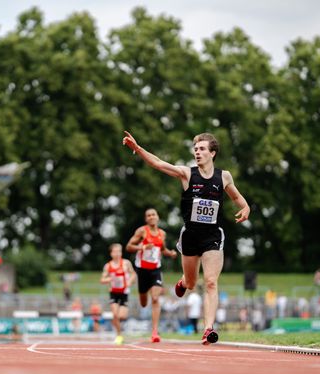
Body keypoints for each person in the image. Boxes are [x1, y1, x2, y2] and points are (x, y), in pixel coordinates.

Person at [123, 131, 250, 345]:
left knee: (210, 282)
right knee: (191, 283)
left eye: (201, 149)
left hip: (212, 236)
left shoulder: (224, 176)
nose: (197, 152)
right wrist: (137, 149)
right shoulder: (187, 174)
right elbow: (159, 164)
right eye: (196, 149)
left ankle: (208, 328)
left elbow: (236, 196)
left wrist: (246, 207)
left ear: (213, 152)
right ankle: (183, 281)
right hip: (190, 236)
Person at [126, 208, 178, 343]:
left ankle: (154, 332)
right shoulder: (142, 231)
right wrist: (142, 247)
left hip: (156, 270)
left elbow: (162, 249)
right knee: (144, 303)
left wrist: (170, 253)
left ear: (157, 217)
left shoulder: (162, 234)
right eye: (148, 215)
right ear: (146, 219)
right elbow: (129, 246)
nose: (151, 217)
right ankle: (143, 293)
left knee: (155, 298)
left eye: (153, 214)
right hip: (142, 270)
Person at [100, 243, 136, 344]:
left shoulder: (126, 263)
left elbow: (133, 274)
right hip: (113, 292)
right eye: (115, 252)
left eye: (119, 251)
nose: (117, 254)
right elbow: (102, 280)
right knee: (115, 314)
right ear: (111, 254)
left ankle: (119, 328)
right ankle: (119, 335)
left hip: (124, 292)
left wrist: (129, 281)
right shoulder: (108, 266)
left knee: (122, 316)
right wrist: (109, 279)